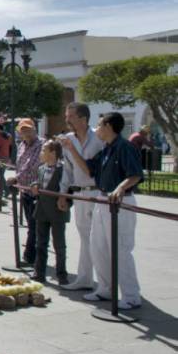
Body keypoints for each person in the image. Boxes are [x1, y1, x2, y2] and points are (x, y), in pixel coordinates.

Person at [61, 112, 144, 309]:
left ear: (108, 126)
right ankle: (106, 289)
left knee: (120, 249)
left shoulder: (124, 147)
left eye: (99, 125)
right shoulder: (106, 149)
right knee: (98, 247)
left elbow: (135, 175)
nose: (96, 129)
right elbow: (89, 169)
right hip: (102, 200)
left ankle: (132, 296)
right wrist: (71, 149)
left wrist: (120, 188)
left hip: (120, 204)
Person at [59, 102, 104, 291]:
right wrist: (63, 194)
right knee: (85, 237)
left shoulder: (99, 137)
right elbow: (67, 170)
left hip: (98, 192)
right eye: (66, 116)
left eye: (70, 116)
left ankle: (105, 282)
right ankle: (85, 278)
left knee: (101, 238)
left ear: (83, 119)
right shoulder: (68, 139)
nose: (67, 119)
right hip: (79, 194)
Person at [29, 140, 71, 284]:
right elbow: (38, 182)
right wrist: (34, 185)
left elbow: (70, 189)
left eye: (43, 150)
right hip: (42, 211)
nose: (41, 153)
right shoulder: (42, 168)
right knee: (40, 243)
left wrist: (67, 203)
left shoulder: (63, 169)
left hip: (57, 212)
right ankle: (39, 272)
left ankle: (62, 274)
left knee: (59, 245)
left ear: (53, 153)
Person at [6, 118, 43, 266]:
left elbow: (34, 166)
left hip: (37, 191)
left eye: (28, 129)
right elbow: (20, 165)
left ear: (34, 129)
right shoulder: (21, 145)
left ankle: (30, 256)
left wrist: (16, 178)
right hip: (24, 190)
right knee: (31, 224)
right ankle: (33, 255)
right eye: (23, 130)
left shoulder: (42, 145)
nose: (26, 133)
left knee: (35, 226)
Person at [0, 127, 12, 197]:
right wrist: (9, 157)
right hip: (6, 157)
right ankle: (0, 191)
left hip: (0, 158)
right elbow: (10, 147)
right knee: (1, 175)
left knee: (0, 175)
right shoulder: (8, 136)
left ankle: (6, 190)